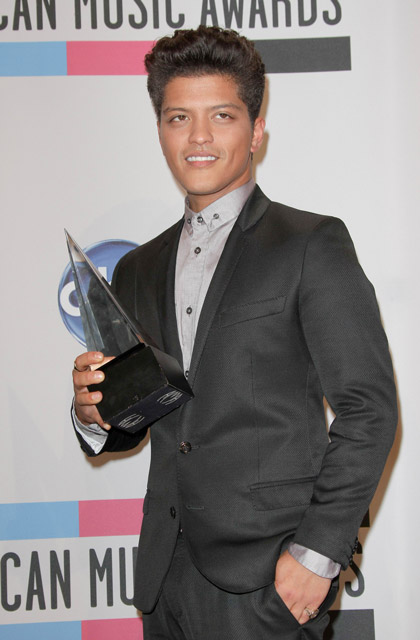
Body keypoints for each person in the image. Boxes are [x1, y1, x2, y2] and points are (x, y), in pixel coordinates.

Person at [72, 26, 397, 640]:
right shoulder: (137, 267)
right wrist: (93, 413)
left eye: (221, 116)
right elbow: (139, 416)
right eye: (178, 118)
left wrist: (315, 558)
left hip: (267, 582)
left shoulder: (310, 244)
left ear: (256, 131)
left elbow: (369, 409)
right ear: (160, 131)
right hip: (162, 580)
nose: (198, 137)